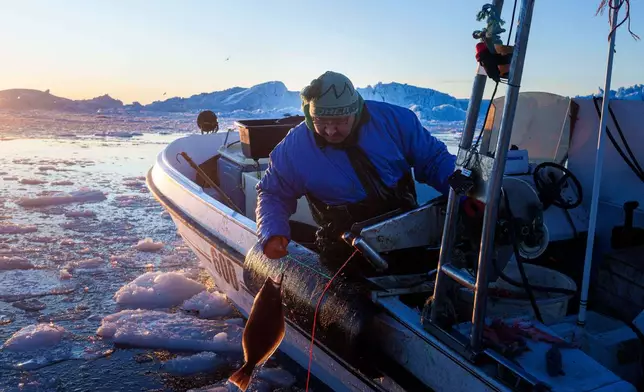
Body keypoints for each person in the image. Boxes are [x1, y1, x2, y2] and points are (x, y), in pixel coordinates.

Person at [255, 71, 460, 269]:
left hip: (407, 232)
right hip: (343, 247)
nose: (330, 130)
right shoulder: (294, 148)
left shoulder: (395, 121)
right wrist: (272, 232)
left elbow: (434, 160)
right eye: (321, 122)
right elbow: (273, 193)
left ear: (356, 111)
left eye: (339, 122)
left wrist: (464, 191)